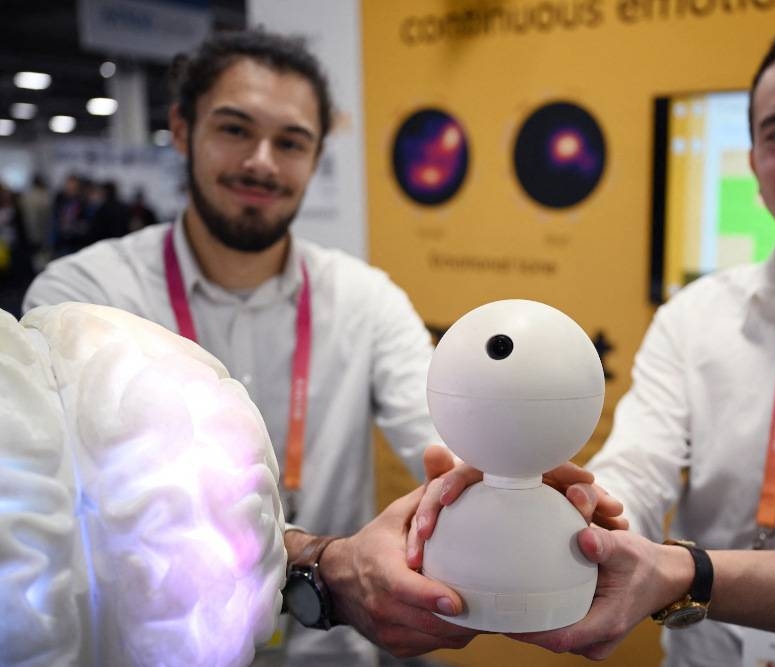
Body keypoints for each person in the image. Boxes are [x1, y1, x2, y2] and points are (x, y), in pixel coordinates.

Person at [415, 13, 775, 666]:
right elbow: (636, 474)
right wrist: (551, 501)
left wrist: (689, 572)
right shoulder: (694, 317)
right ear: (754, 161)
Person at [24, 29, 481, 666]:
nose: (262, 161)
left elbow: (439, 431)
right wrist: (313, 559)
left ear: (317, 156)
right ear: (181, 130)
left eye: (291, 142)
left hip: (334, 653)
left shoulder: (364, 299)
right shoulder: (86, 296)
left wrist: (504, 477)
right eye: (235, 129)